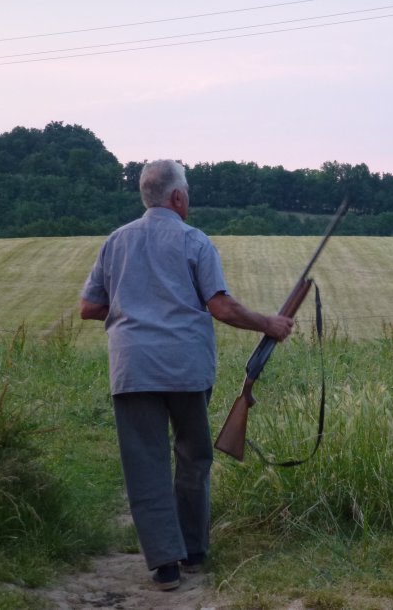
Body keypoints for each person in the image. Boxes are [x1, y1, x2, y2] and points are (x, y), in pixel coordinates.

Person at [79, 159, 293, 591]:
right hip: (186, 368)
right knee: (194, 458)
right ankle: (194, 551)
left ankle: (165, 564)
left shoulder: (116, 241)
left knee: (146, 465)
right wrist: (269, 324)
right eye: (188, 192)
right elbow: (221, 307)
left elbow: (88, 308)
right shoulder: (195, 241)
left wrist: (132, 309)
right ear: (178, 197)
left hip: (133, 368)